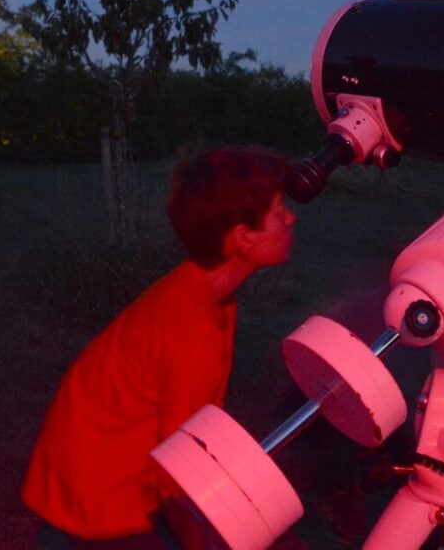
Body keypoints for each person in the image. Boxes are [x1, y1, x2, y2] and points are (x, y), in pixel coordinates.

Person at [22, 147, 296, 549]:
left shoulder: (200, 290)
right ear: (243, 237)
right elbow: (179, 473)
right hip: (99, 494)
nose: (290, 218)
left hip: (92, 471)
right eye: (279, 210)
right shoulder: (191, 325)